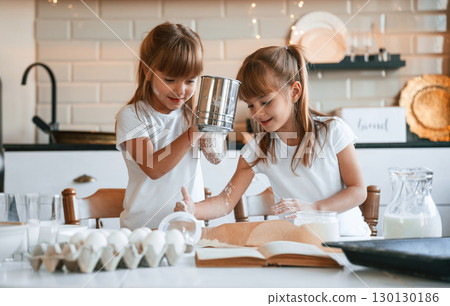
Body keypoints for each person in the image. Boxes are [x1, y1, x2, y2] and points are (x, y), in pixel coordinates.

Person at [175, 45, 370, 237]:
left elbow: (358, 191)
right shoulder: (259, 148)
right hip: (299, 244)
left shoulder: (332, 130)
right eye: (251, 105)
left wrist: (314, 208)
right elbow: (226, 202)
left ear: (294, 92)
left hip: (347, 240)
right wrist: (193, 209)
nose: (257, 113)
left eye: (266, 101)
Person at [115, 22, 222, 230]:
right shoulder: (132, 116)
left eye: (190, 81)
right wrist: (194, 132)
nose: (180, 90)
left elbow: (215, 157)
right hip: (143, 231)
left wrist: (213, 132)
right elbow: (153, 168)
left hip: (187, 226)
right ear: (147, 71)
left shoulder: (192, 115)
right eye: (170, 80)